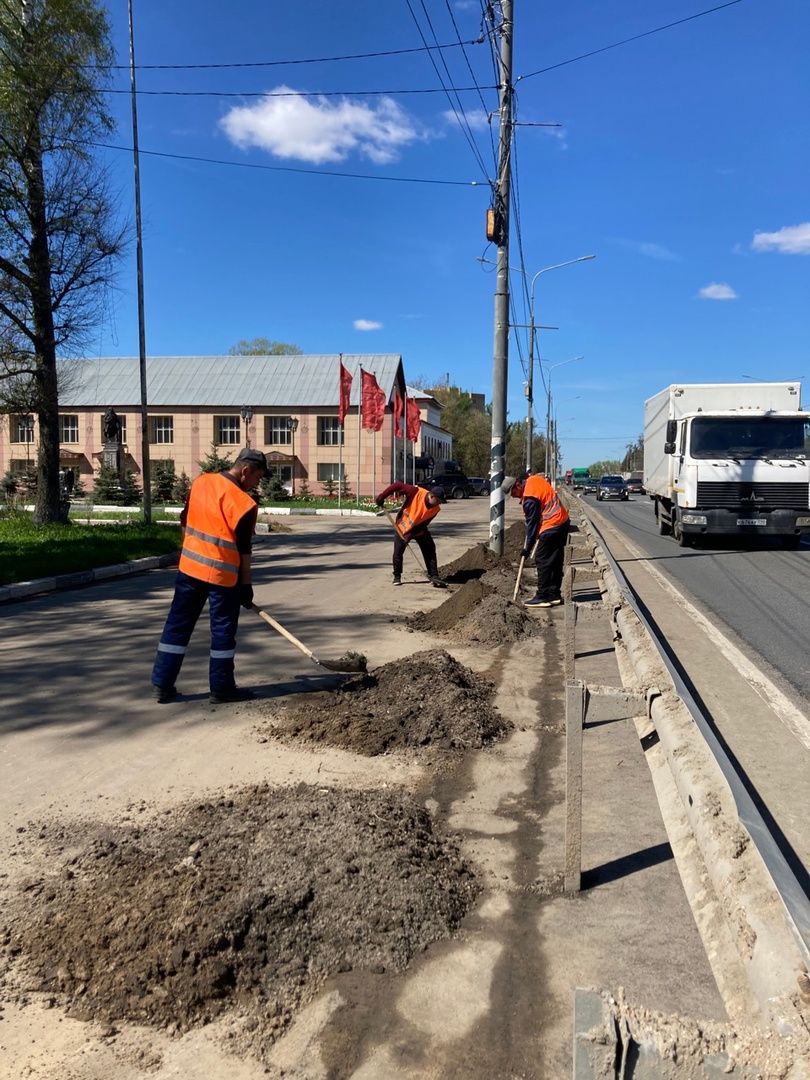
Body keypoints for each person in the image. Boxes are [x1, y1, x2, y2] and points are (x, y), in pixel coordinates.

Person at [150, 448, 267, 704]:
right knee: (223, 632)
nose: (257, 482)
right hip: (223, 579)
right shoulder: (244, 504)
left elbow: (185, 520)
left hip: (189, 570)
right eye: (257, 477)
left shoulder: (201, 482)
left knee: (177, 626)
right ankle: (222, 688)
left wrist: (190, 551)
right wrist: (246, 585)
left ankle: (162, 684)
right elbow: (244, 551)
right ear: (245, 470)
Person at [513, 471, 570, 608]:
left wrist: (527, 549)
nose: (513, 496)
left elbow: (532, 526)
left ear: (518, 485)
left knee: (542, 559)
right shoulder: (534, 480)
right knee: (555, 559)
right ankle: (554, 594)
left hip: (552, 525)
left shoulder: (529, 499)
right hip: (562, 522)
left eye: (512, 492)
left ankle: (542, 596)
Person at [375, 482, 447, 588]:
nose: (438, 504)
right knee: (398, 552)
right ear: (431, 496)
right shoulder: (415, 492)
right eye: (438, 501)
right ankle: (397, 575)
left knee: (430, 548)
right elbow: (397, 485)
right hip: (402, 526)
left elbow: (423, 524)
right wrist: (382, 496)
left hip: (419, 529)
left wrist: (410, 535)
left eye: (440, 502)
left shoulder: (435, 509)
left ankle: (434, 575)